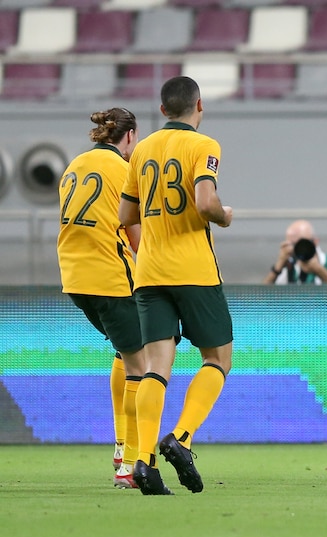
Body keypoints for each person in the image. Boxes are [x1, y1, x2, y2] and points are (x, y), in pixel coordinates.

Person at [118, 76, 234, 496]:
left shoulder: (142, 149)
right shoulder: (205, 146)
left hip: (148, 272)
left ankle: (144, 463)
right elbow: (206, 202)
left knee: (155, 368)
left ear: (163, 109)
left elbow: (125, 214)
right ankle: (181, 438)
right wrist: (223, 216)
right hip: (194, 271)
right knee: (218, 358)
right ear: (198, 106)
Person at [57, 107, 145, 490]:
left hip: (74, 277)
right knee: (143, 366)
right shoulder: (126, 170)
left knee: (124, 355)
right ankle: (129, 464)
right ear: (128, 137)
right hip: (112, 276)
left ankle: (120, 445)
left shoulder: (74, 165)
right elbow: (135, 229)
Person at [264, 219, 327, 285]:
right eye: (292, 245)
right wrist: (278, 267)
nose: (298, 249)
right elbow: (260, 299)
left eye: (302, 244)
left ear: (315, 241)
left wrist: (320, 270)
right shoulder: (289, 268)